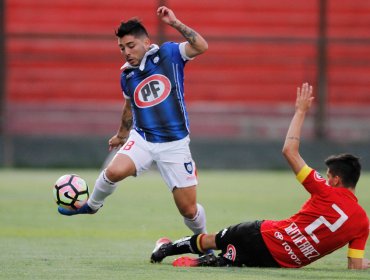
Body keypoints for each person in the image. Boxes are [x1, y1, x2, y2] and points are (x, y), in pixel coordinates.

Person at [150, 83, 370, 269]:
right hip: (278, 262)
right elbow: (354, 266)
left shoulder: (325, 190)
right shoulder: (362, 223)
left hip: (263, 234)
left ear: (335, 179)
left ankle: (166, 249)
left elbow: (289, 151)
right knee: (229, 260)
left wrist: (301, 111)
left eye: (328, 175)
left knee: (213, 239)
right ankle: (209, 261)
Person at [58, 6, 210, 236]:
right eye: (121, 48)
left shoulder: (169, 54)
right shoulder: (127, 75)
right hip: (143, 138)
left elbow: (201, 46)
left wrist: (175, 23)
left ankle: (203, 241)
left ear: (146, 42)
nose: (126, 52)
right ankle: (92, 206)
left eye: (130, 45)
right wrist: (121, 134)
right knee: (113, 172)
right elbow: (129, 107)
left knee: (188, 210)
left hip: (174, 143)